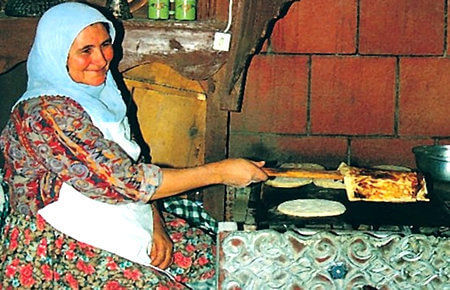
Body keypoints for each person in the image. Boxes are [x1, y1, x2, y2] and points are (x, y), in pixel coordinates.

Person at [0, 2, 267, 288]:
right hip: (61, 242)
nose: (102, 59)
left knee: (223, 262)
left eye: (105, 44)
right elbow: (123, 182)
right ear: (56, 54)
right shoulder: (45, 114)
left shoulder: (100, 93)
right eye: (85, 51)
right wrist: (220, 173)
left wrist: (155, 221)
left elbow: (131, 165)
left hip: (119, 213)